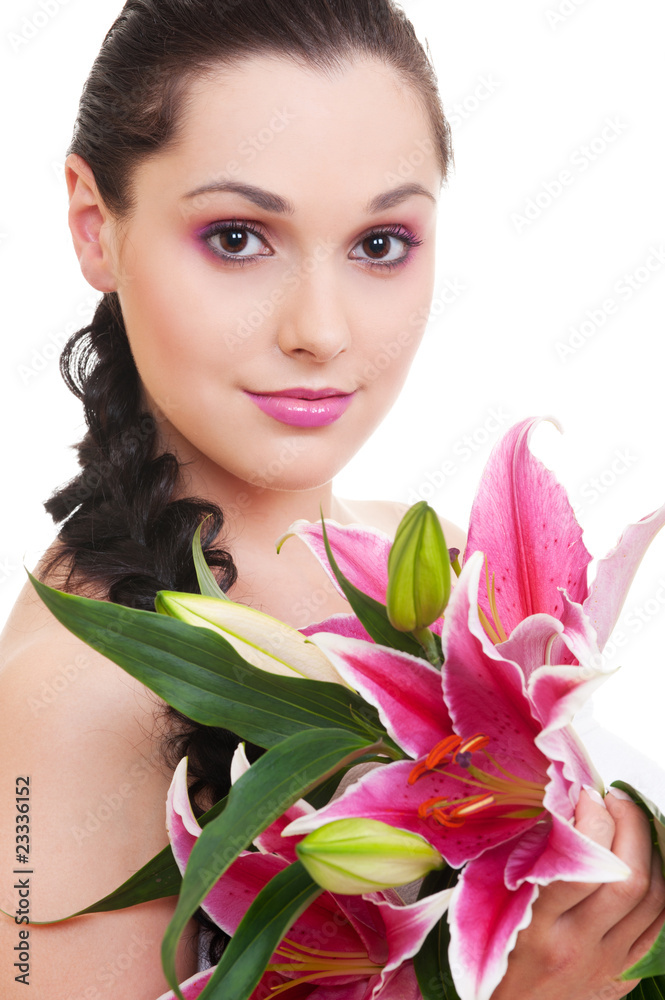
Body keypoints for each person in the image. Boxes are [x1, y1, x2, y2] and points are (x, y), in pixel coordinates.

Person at [0, 1, 663, 997]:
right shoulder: (76, 697)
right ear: (96, 227)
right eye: (235, 237)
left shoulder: (435, 555)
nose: (320, 328)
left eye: (380, 244)